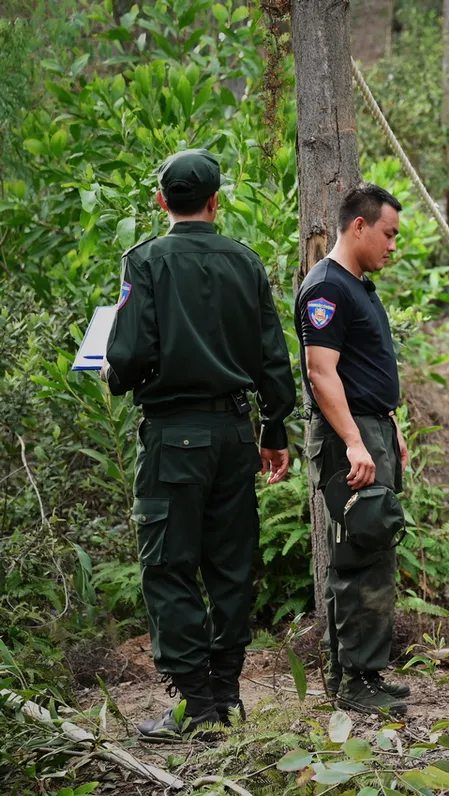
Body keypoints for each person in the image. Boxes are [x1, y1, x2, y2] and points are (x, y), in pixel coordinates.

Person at [102, 149, 295, 737]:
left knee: (169, 567)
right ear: (217, 200)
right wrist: (274, 428)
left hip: (172, 438)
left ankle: (194, 702)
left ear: (163, 202)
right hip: (237, 436)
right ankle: (225, 694)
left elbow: (129, 355)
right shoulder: (246, 262)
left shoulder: (145, 261)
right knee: (232, 565)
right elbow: (272, 356)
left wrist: (114, 373)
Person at [296, 184, 412, 717]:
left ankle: (361, 672)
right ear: (359, 227)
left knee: (374, 553)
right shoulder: (326, 288)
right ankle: (353, 681)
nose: (393, 246)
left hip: (372, 432)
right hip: (351, 440)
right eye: (388, 234)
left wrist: (390, 427)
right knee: (358, 556)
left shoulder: (360, 286)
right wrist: (353, 443)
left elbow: (363, 370)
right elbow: (322, 376)